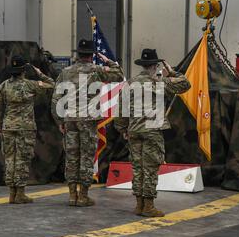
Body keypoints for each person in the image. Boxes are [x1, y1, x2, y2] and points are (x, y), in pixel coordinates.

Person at [115, 49, 191, 217]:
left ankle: (139, 205)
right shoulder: (161, 82)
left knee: (137, 168)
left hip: (134, 130)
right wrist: (171, 72)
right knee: (150, 168)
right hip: (152, 131)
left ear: (142, 65)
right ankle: (148, 206)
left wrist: (122, 129)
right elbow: (185, 84)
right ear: (156, 66)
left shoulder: (130, 84)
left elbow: (120, 110)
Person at [51, 39, 124, 207]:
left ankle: (71, 195)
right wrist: (108, 61)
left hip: (69, 119)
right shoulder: (97, 70)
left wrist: (59, 120)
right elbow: (119, 75)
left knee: (71, 156)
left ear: (78, 54)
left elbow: (56, 98)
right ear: (92, 55)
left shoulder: (65, 72)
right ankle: (83, 196)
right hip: (88, 120)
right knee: (86, 156)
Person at [0, 55, 55, 204]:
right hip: (26, 128)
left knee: (9, 159)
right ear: (23, 71)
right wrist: (39, 72)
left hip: (8, 127)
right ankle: (20, 193)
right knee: (22, 159)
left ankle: (11, 193)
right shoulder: (30, 85)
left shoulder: (4, 86)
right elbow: (51, 84)